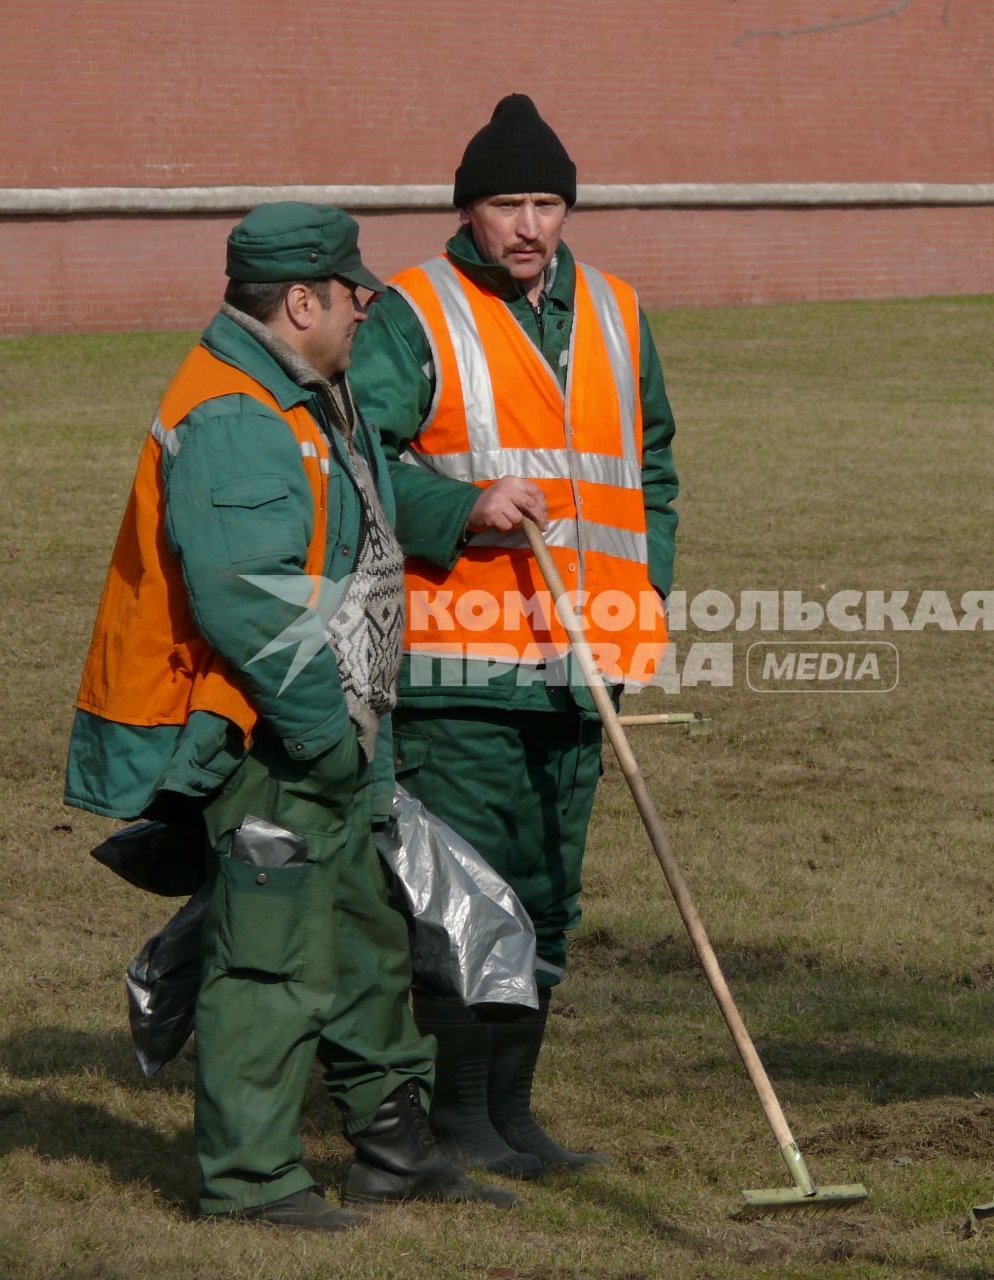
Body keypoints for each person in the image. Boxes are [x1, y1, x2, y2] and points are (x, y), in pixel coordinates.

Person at [65, 203, 516, 1230]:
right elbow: (249, 600)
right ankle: (252, 1177)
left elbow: (357, 524)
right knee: (267, 958)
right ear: (300, 300)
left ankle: (394, 1147)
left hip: (329, 733)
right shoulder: (235, 414)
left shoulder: (304, 390)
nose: (368, 304)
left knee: (361, 937)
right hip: (268, 736)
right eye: (352, 289)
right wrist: (320, 734)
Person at [350, 94, 679, 1179]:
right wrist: (459, 509)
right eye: (507, 204)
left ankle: (516, 1114)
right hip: (459, 674)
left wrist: (645, 601)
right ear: (468, 211)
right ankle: (460, 1116)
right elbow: (353, 467)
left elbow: (652, 475)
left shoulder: (622, 312)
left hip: (584, 672)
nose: (530, 224)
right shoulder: (415, 312)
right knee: (465, 903)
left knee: (546, 901)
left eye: (547, 202)